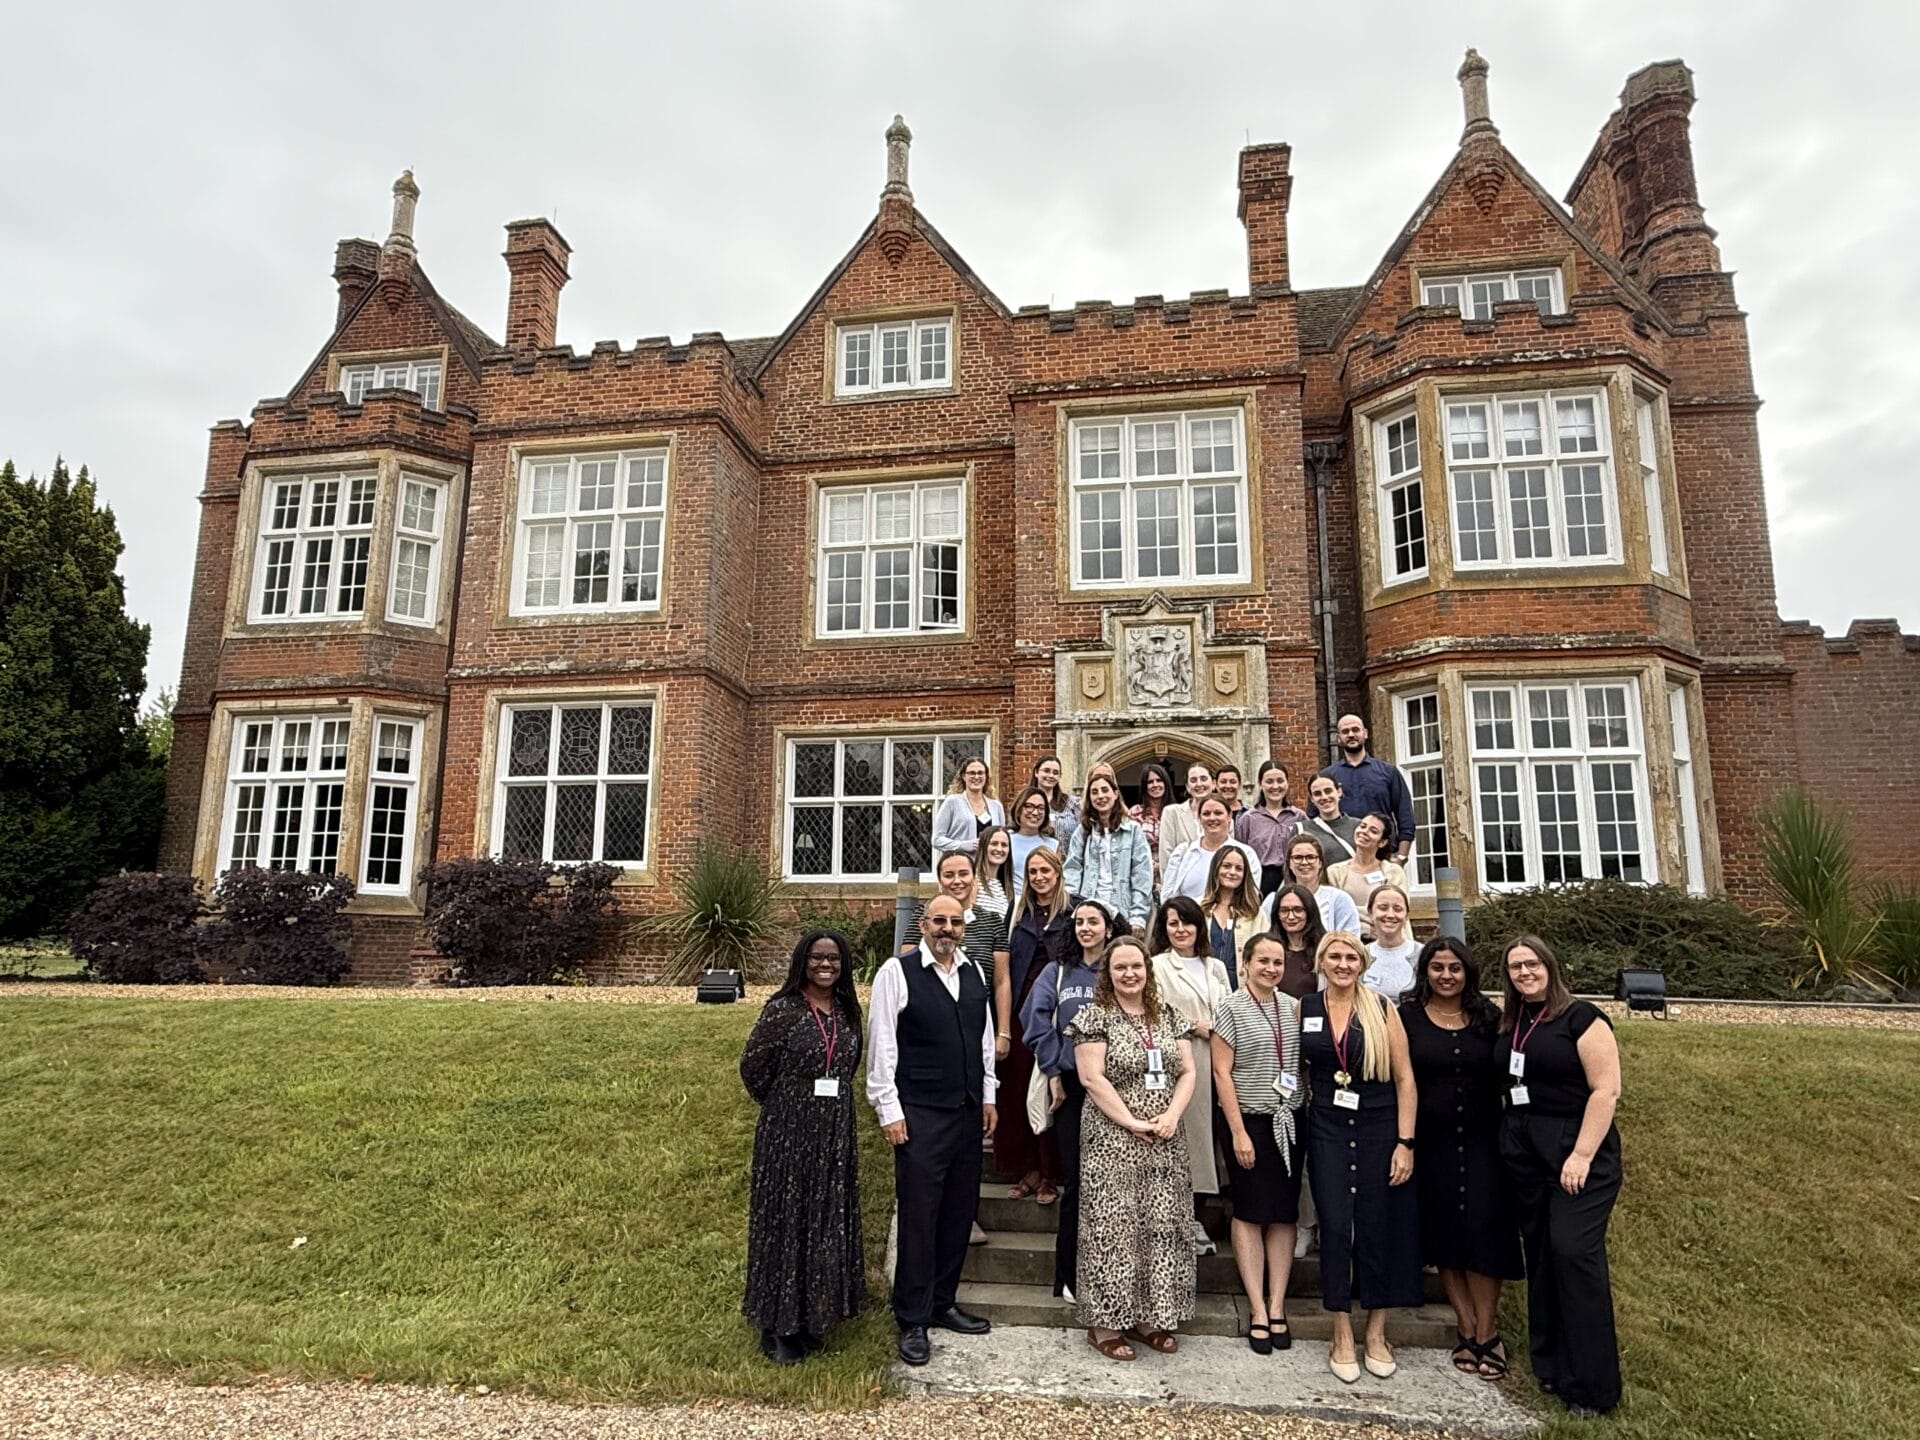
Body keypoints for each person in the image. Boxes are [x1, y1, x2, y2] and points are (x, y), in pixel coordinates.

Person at [865, 895, 998, 1367]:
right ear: (923, 924)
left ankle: (943, 1303)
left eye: (955, 922)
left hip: (965, 1111)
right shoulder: (896, 973)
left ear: (964, 928)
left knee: (958, 1212)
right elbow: (881, 1044)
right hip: (918, 1111)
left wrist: (988, 1096)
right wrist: (888, 1109)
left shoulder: (974, 973)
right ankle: (913, 1317)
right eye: (939, 920)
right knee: (920, 1217)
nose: (947, 928)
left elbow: (983, 1040)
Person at [1496, 934, 1624, 1418]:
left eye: (1531, 964)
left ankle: (1593, 1386)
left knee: (1575, 1255)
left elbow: (1606, 1091)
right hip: (1525, 1152)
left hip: (1576, 1153)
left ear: (1550, 965)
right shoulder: (1515, 1019)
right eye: (1514, 967)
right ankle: (1550, 1365)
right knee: (1544, 1256)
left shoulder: (1582, 1018)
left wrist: (1582, 1154)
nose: (1524, 973)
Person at [741, 931, 867, 1365]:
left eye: (833, 958)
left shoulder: (849, 1012)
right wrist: (787, 1105)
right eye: (817, 957)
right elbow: (753, 1068)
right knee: (785, 1220)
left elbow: (850, 1065)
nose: (825, 965)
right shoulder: (783, 1010)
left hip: (834, 1130)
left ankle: (812, 1316)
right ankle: (775, 1325)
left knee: (823, 1218)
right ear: (802, 961)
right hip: (788, 1129)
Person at [1300, 931, 1421, 1385]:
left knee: (1377, 1224)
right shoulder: (1306, 1009)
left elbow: (1406, 1079)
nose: (1343, 964)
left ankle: (1376, 1332)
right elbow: (1295, 1069)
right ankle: (1341, 1333)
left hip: (1379, 1124)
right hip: (1327, 1125)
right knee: (1334, 1226)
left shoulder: (1383, 1009)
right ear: (1321, 961)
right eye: (1335, 956)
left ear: (1362, 963)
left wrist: (1404, 1143)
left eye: (1351, 956)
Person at [1400, 937, 1523, 1381]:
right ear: (1425, 971)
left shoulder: (1490, 1018)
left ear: (1468, 972)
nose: (1446, 976)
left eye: (1454, 968)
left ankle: (1489, 1333)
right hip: (1431, 1142)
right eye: (1437, 967)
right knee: (1445, 1235)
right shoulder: (1408, 1016)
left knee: (1485, 1235)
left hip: (1484, 1140)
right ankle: (1465, 1327)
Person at [1071, 936, 1197, 1360]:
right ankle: (1105, 1323)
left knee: (1159, 1224)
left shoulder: (1169, 1017)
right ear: (1107, 973)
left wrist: (1171, 1117)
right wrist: (1131, 1121)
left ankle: (1148, 1317)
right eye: (1120, 967)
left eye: (1137, 966)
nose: (1130, 974)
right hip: (1113, 1137)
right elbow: (1092, 1079)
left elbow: (1188, 1072)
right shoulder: (1094, 1017)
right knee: (1113, 1228)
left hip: (1164, 1137)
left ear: (1148, 970)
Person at [1211, 934, 1308, 1353]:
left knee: (1284, 1214)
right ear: (1245, 964)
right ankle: (1256, 1308)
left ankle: (1277, 1303)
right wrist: (1237, 1132)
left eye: (1277, 962)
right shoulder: (1230, 1008)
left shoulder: (1292, 1008)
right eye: (1263, 961)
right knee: (1250, 1212)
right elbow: (1221, 1072)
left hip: (1290, 1119)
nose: (1271, 968)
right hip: (1248, 1120)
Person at [1021, 899, 1118, 1300]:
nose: (1085, 928)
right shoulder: (1056, 972)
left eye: (1093, 921)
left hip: (1118, 1090)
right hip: (1072, 1091)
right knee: (1077, 1183)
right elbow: (1035, 1020)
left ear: (1109, 928)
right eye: (1079, 922)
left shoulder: (1119, 971)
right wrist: (1056, 1069)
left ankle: (1112, 1276)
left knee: (1113, 1185)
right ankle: (1070, 1278)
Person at [1149, 894, 1230, 1254]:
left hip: (1222, 1061)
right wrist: (1197, 1026)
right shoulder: (1157, 966)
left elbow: (1228, 1008)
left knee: (1216, 1138)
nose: (1181, 930)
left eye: (1187, 922)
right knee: (1191, 1143)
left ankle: (1208, 1216)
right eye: (1173, 923)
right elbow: (1155, 1012)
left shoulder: (1216, 967)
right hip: (1185, 1060)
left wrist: (1217, 1028)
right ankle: (1189, 1220)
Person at [998, 845, 1073, 1205]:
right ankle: (1026, 1168)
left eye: (1046, 871)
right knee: (1017, 1091)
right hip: (1020, 1011)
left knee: (1050, 1090)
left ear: (1058, 872)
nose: (1039, 877)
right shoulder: (1018, 912)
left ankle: (1049, 1172)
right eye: (1033, 872)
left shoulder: (1075, 911)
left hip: (1058, 1014)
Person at [904, 851, 1011, 1015]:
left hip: (981, 1017)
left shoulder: (992, 921)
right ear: (940, 880)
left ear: (974, 878)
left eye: (963, 874)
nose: (957, 881)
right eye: (949, 875)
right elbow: (908, 970)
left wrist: (1003, 1033)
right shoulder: (923, 916)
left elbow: (1002, 982)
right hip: (930, 1014)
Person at [1064, 763, 1153, 930]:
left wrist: (1138, 917)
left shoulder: (1133, 830)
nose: (1100, 796)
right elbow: (1072, 870)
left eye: (1105, 790)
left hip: (1122, 912)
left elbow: (1142, 876)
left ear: (1115, 794)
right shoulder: (1083, 831)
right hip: (1089, 910)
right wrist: (1073, 907)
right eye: (1094, 792)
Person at [1324, 714, 1414, 862]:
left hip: (1382, 854)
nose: (1351, 734)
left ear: (1365, 733)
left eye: (1355, 730)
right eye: (1345, 731)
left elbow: (1405, 817)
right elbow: (1314, 819)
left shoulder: (1388, 773)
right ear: (1338, 737)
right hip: (1341, 855)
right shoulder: (1328, 777)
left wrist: (1401, 857)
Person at [1161, 795, 1261, 903]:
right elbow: (1167, 896)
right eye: (1206, 814)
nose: (1212, 818)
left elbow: (1251, 896)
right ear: (1199, 818)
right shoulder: (1183, 853)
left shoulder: (1246, 854)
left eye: (1218, 813)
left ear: (1229, 816)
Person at [1259, 834, 1362, 937]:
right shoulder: (1272, 900)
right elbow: (1262, 939)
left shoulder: (1339, 899)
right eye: (1298, 857)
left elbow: (1351, 941)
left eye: (1310, 857)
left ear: (1320, 863)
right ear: (1289, 863)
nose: (1304, 862)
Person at [1236, 760, 1308, 896]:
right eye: (1269, 781)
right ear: (1260, 784)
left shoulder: (1300, 817)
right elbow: (1240, 855)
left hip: (1293, 878)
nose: (1275, 786)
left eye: (1280, 781)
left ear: (1287, 783)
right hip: (1259, 881)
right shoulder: (1248, 819)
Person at [1199, 844, 1264, 990]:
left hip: (1242, 990)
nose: (1232, 872)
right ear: (1216, 869)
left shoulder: (1254, 913)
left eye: (1239, 868)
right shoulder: (1198, 907)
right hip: (1204, 986)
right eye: (1226, 866)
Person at [1326, 813, 1408, 916]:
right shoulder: (1334, 872)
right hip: (1347, 931)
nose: (1364, 832)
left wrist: (1352, 912)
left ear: (1382, 842)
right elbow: (1333, 911)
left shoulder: (1393, 872)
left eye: (1373, 831)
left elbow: (1397, 909)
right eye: (1362, 826)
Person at [931, 757, 1005, 859]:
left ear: (986, 776)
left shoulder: (996, 806)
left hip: (989, 868)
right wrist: (963, 845)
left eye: (980, 773)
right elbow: (937, 840)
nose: (976, 776)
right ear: (963, 776)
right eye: (971, 773)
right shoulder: (952, 802)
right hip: (961, 866)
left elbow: (1003, 840)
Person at [1265, 882, 1326, 1001]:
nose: (1291, 916)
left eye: (1298, 910)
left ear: (1309, 912)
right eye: (1284, 910)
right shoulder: (1267, 949)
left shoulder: (1324, 949)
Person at [1361, 884, 1418, 1003]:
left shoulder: (1422, 954)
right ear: (1371, 913)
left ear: (1406, 916)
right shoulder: (1360, 955)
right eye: (1383, 908)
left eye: (1398, 909)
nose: (1390, 915)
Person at [1154, 759, 1215, 871]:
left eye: (1204, 779)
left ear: (1214, 784)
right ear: (1187, 787)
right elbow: (1166, 856)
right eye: (1193, 780)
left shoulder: (1223, 814)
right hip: (1182, 884)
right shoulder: (1172, 813)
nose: (1199, 784)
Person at [1006, 785, 1059, 908]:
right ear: (1019, 808)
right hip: (1010, 905)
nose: (1035, 812)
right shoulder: (1005, 840)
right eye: (1029, 806)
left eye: (1041, 808)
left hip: (1042, 907)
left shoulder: (1053, 845)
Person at [1129, 762, 1176, 887]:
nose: (1155, 785)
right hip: (1142, 874)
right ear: (1145, 786)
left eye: (1159, 780)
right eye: (1150, 782)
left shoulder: (1176, 812)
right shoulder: (1135, 813)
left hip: (1171, 874)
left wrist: (1163, 864)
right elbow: (1130, 845)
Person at [1302, 774, 1361, 864]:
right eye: (1317, 794)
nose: (1324, 797)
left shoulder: (1359, 827)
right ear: (1312, 799)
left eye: (1328, 791)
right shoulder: (1302, 829)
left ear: (1339, 792)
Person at [1030, 755, 1079, 854]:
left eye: (1055, 773)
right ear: (1036, 772)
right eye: (1046, 771)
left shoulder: (1072, 803)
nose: (1051, 775)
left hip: (1067, 864)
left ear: (1060, 776)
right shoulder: (1024, 803)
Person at [974, 825, 1014, 919]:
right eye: (994, 843)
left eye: (1004, 845)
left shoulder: (1007, 888)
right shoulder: (973, 881)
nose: (999, 849)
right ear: (984, 846)